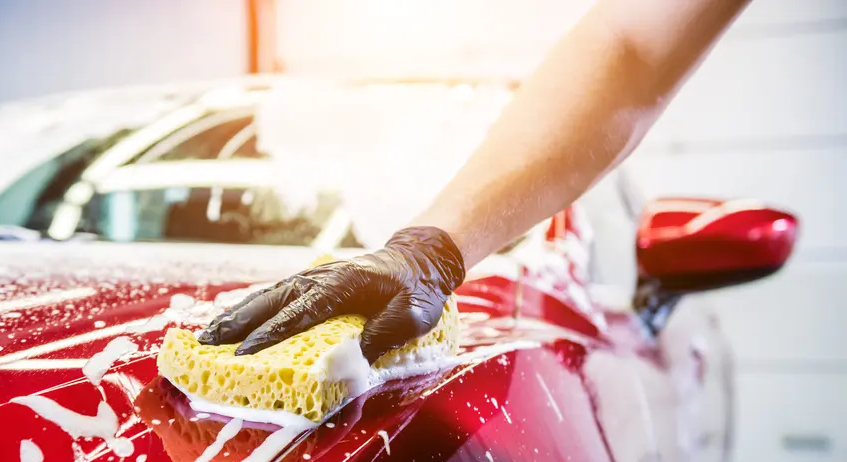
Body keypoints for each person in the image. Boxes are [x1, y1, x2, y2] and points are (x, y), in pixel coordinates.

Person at [199, 0, 751, 362]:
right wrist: (424, 250)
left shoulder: (523, 346)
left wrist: (430, 253)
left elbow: (633, 57)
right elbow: (631, 42)